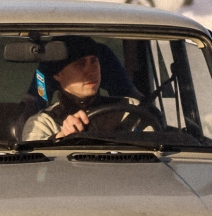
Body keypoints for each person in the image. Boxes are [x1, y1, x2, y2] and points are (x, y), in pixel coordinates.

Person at [20, 36, 157, 142]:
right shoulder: (43, 123)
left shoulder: (131, 109)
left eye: (94, 61)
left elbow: (155, 155)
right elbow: (35, 171)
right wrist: (60, 137)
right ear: (58, 74)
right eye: (80, 64)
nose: (91, 71)